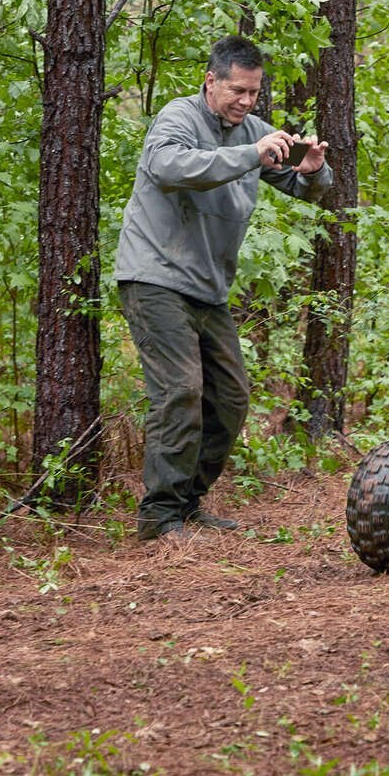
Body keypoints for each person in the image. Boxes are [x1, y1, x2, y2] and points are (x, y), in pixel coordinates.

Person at [115, 35, 333, 542]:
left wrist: (313, 172)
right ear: (210, 81)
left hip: (208, 290)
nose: (246, 102)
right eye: (237, 91)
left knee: (231, 398)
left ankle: (186, 504)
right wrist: (250, 155)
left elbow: (303, 188)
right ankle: (159, 516)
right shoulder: (177, 118)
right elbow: (171, 168)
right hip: (154, 278)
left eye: (254, 93)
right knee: (181, 391)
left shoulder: (254, 131)